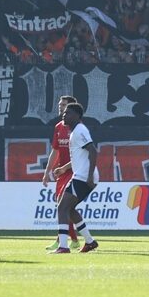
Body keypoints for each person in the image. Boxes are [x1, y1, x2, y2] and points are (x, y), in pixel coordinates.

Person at [51, 102, 99, 253]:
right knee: (70, 209)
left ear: (78, 116)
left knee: (62, 207)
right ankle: (90, 242)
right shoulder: (75, 132)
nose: (64, 115)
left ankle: (63, 246)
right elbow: (80, 156)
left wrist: (89, 177)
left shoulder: (79, 131)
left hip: (83, 177)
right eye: (64, 113)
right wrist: (64, 168)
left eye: (68, 113)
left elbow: (93, 151)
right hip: (81, 175)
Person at [42, 95, 79, 253]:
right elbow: (55, 151)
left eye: (63, 104)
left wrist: (65, 167)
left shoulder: (77, 128)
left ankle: (64, 240)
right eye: (59, 104)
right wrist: (46, 172)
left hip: (74, 171)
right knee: (63, 206)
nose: (60, 107)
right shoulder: (58, 127)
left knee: (63, 204)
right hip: (61, 173)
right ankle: (74, 240)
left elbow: (81, 154)